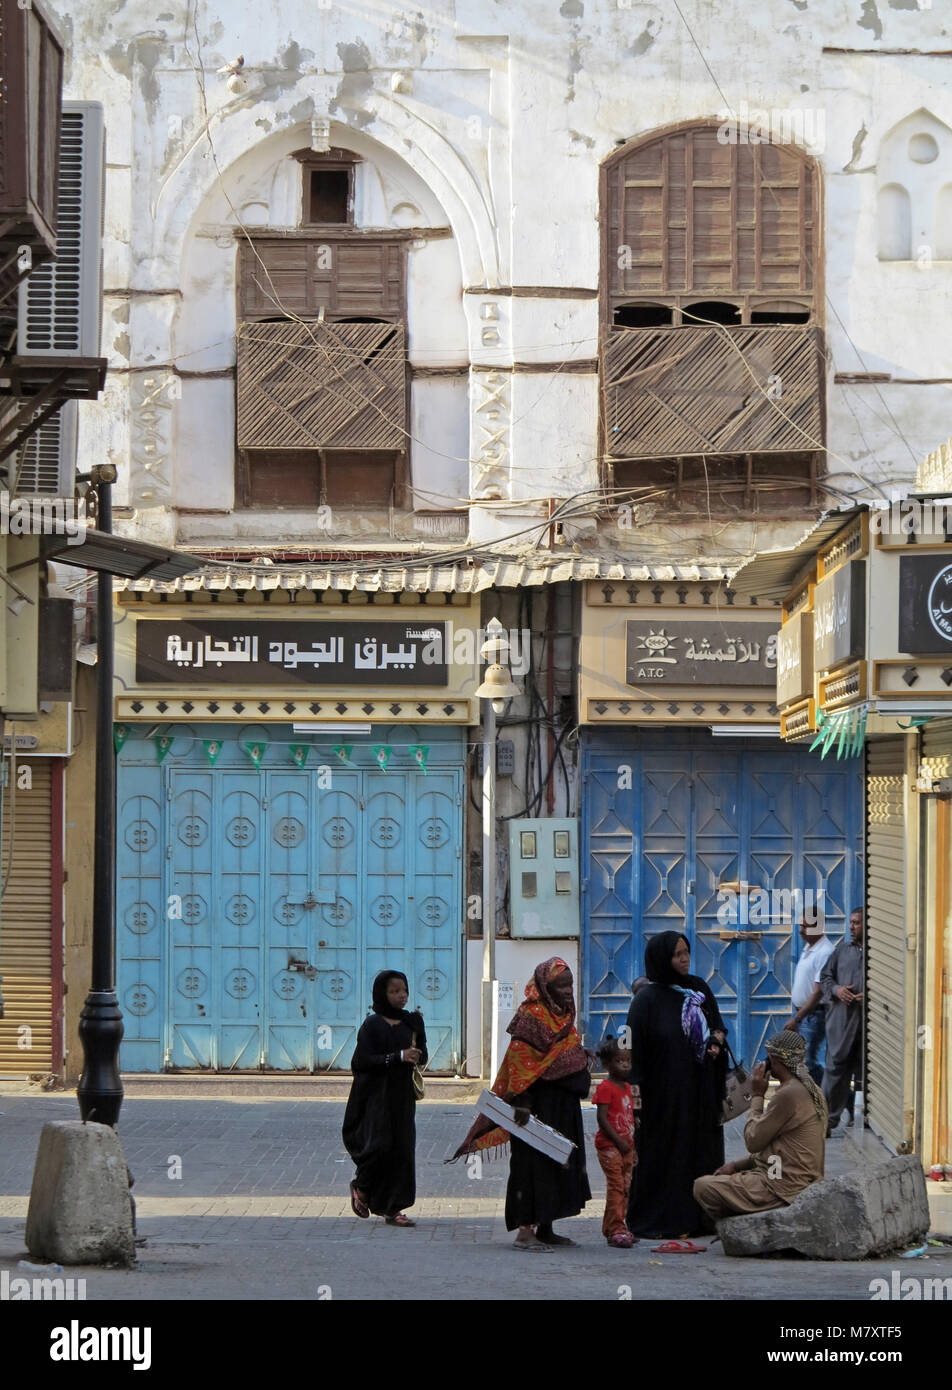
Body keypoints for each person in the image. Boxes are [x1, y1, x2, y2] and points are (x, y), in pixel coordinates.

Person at [450, 957, 592, 1251]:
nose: (567, 992)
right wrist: (523, 1103)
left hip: (564, 1108)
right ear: (544, 986)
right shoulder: (531, 1017)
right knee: (532, 1168)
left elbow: (569, 1054)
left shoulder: (565, 1016)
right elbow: (519, 1062)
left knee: (560, 1163)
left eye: (570, 985)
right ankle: (525, 1232)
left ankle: (547, 1228)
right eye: (560, 986)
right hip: (534, 1108)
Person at [625, 931, 729, 1238]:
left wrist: (716, 1041)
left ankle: (701, 1218)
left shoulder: (698, 989)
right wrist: (635, 1097)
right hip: (663, 1098)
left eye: (686, 952)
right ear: (661, 959)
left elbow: (719, 1025)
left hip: (701, 1093)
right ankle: (662, 1220)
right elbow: (632, 1050)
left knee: (701, 1152)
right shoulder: (647, 1000)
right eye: (677, 954)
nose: (684, 959)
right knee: (665, 1155)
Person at [693, 1030, 826, 1221]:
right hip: (786, 1175)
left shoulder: (788, 1095)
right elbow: (775, 1152)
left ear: (776, 1061)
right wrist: (735, 1165)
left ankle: (752, 1221)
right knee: (725, 1179)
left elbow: (753, 1140)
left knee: (703, 1186)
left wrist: (757, 1095)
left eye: (768, 1058)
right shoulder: (812, 1089)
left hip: (782, 1187)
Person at [342, 970, 427, 1227]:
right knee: (378, 1145)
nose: (401, 996)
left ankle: (394, 1209)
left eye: (404, 991)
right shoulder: (372, 1024)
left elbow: (422, 1057)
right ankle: (363, 1185)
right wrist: (397, 1057)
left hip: (401, 1097)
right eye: (394, 991)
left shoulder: (413, 1022)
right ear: (382, 994)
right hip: (373, 1095)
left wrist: (414, 1056)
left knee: (402, 1149)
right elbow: (361, 1061)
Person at [820, 907, 864, 1137]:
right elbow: (825, 978)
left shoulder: (880, 953)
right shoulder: (842, 951)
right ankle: (825, 1122)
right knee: (835, 1070)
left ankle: (869, 1121)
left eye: (857, 922)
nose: (852, 926)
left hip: (867, 1025)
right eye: (851, 922)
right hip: (842, 1021)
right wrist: (838, 991)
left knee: (867, 1073)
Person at [592, 1037, 639, 1249]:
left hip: (626, 1148)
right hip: (610, 1147)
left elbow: (629, 1117)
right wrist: (618, 1141)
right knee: (616, 1187)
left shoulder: (628, 1088)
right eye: (620, 1061)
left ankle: (615, 1227)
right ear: (608, 1064)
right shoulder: (605, 1088)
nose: (626, 1065)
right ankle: (617, 1229)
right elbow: (602, 1119)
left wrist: (631, 1145)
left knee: (625, 1187)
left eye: (628, 1061)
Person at [786, 915, 835, 1085]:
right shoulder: (809, 947)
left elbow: (818, 992)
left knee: (807, 1063)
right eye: (801, 925)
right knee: (801, 1061)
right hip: (802, 1013)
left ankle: (839, 1097)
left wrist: (798, 1018)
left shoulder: (825, 951)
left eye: (805, 926)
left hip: (813, 1014)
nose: (801, 931)